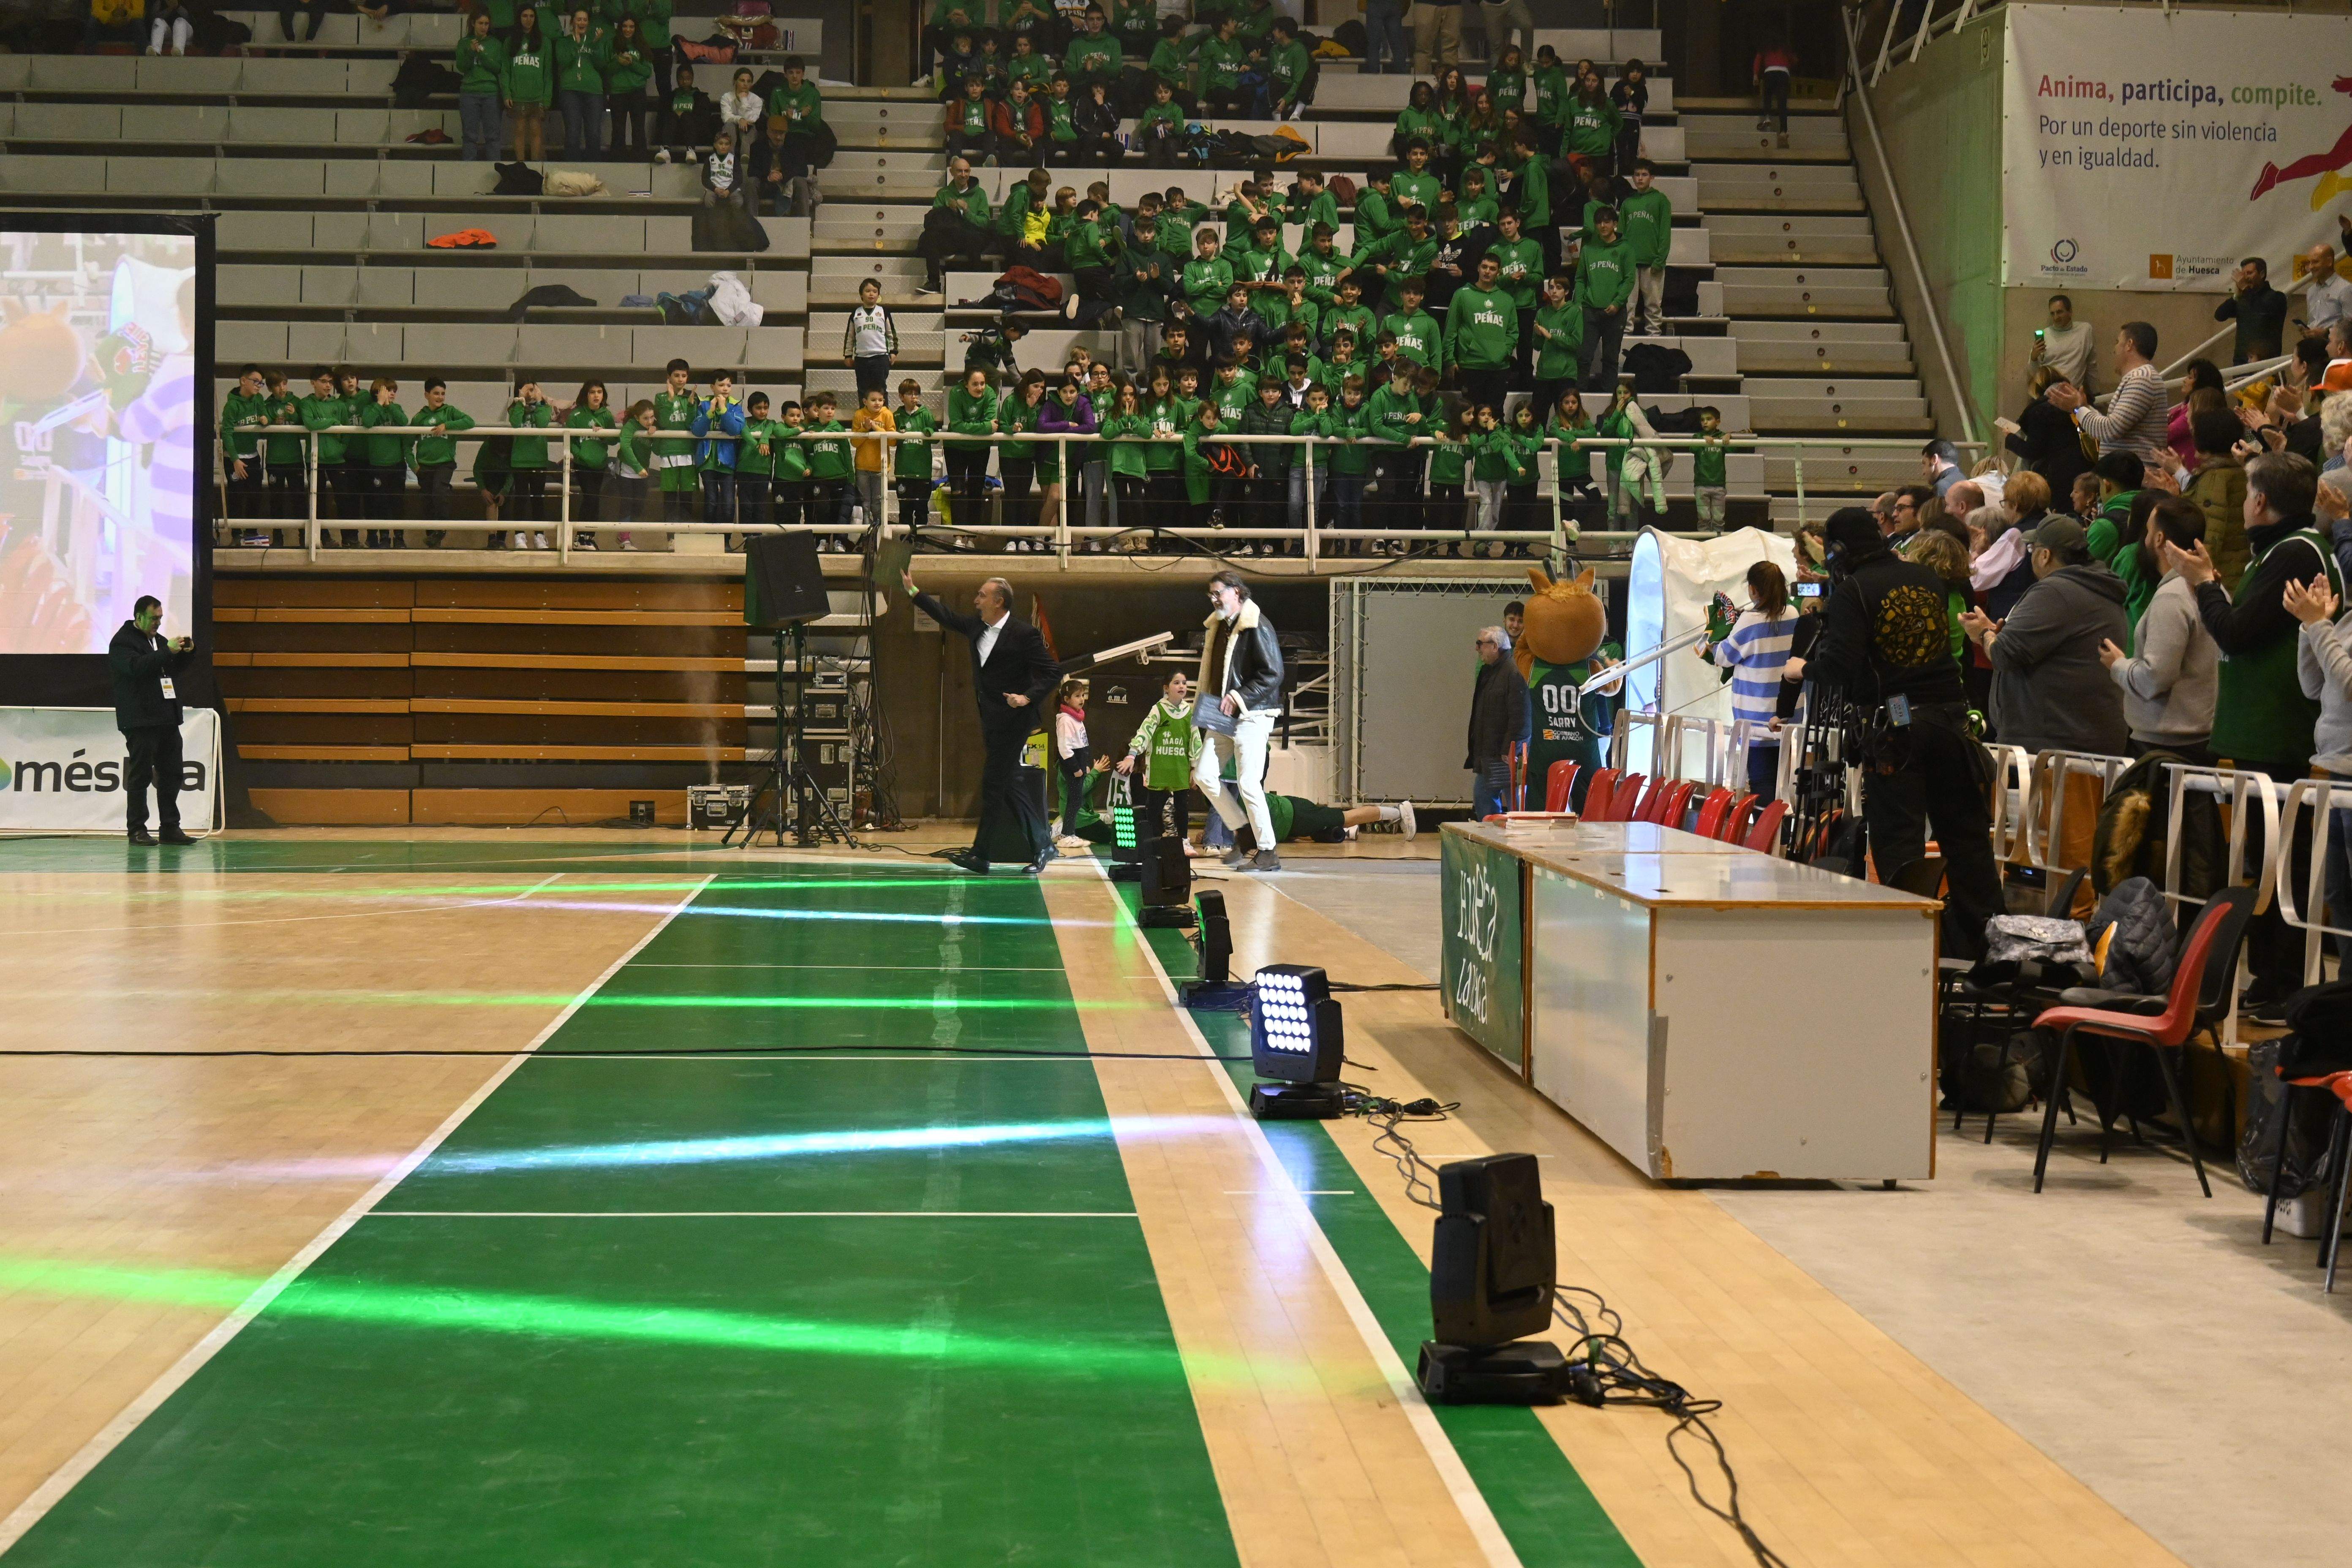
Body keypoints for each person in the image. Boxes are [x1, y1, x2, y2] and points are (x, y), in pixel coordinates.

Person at [2175, 452, 2338, 1019]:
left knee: (2283, 868)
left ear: (2262, 501)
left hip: (2280, 738)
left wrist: (2204, 586)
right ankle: (2270, 980)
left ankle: (2282, 983)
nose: (2244, 501)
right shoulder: (2279, 553)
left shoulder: (2296, 554)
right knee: (2267, 865)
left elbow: (2238, 633)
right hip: (2262, 736)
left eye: (2247, 490)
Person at [1808, 507, 2003, 958]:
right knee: (1967, 839)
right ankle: (1987, 945)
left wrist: (1805, 668)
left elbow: (1840, 665)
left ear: (1838, 551)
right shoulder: (1927, 579)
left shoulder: (1854, 590)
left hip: (1897, 720)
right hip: (1950, 718)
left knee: (1900, 841)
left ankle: (1904, 950)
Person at [904, 572, 1059, 873]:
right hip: (992, 719)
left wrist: (1027, 697)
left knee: (993, 784)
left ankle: (981, 854)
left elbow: (1053, 672)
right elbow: (945, 616)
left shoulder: (1023, 633)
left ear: (999, 601)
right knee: (1009, 783)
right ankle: (1044, 845)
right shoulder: (977, 627)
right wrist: (913, 590)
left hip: (1016, 719)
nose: (976, 601)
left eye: (982, 595)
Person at [1960, 515, 2129, 757]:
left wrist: (1984, 634)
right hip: (2079, 737)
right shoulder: (2096, 587)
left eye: (2031, 549)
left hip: (2053, 748)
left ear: (2045, 555)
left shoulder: (2056, 591)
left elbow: (2003, 653)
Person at [2098, 497, 2218, 762]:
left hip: (2166, 747)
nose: (2146, 537)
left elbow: (2155, 678)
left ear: (2160, 539)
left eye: (2149, 531)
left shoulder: (2173, 597)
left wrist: (2118, 665)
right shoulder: (2212, 590)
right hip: (2192, 738)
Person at [1193, 571, 1285, 870]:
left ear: (1237, 592)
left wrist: (1239, 696)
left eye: (1218, 592)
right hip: (1223, 714)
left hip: (1253, 715)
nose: (1214, 598)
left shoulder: (1257, 624)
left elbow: (1273, 674)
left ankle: (1268, 851)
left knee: (1248, 783)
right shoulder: (1220, 625)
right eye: (1211, 594)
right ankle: (1244, 833)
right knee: (1205, 775)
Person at [1704, 561, 1799, 798]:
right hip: (1791, 717)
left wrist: (1713, 637)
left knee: (1762, 784)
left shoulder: (1750, 621)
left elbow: (1724, 656)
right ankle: (1786, 833)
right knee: (1786, 785)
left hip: (1757, 721)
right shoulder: (1793, 614)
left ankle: (1768, 834)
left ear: (1754, 590)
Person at [109, 595, 196, 846]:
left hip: (165, 719)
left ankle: (170, 827)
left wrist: (187, 653)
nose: (158, 623)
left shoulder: (158, 641)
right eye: (153, 618)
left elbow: (172, 670)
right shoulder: (122, 642)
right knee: (141, 775)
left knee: (172, 774)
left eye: (160, 618)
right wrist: (167, 652)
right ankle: (137, 829)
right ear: (139, 617)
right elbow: (137, 668)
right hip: (140, 721)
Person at [2048, 320, 2166, 465]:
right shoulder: (2141, 377)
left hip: (2136, 477)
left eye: (2118, 342)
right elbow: (2112, 426)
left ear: (2129, 345)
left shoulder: (2141, 379)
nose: (2115, 349)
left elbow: (2110, 431)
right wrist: (2085, 407)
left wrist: (2077, 409)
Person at [1465, 624, 1530, 816]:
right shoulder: (1488, 671)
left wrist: (1511, 750)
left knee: (1513, 805)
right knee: (1485, 797)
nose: (1477, 649)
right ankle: (1495, 838)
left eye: (1480, 644)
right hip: (1490, 753)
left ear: (1495, 646)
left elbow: (1522, 716)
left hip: (1505, 756)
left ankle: (1512, 840)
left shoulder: (1514, 672)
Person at [2001, 365, 2090, 501]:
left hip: (2056, 474)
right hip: (2085, 470)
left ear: (2038, 389)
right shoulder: (2079, 402)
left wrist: (2010, 439)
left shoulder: (2041, 411)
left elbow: (2033, 451)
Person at [1576, 205, 1633, 391]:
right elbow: (1580, 279)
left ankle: (1608, 397)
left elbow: (1629, 279)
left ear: (1615, 224)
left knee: (1610, 358)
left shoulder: (1625, 248)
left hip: (1615, 313)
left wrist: (1617, 303)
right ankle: (1579, 397)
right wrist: (1579, 303)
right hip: (1590, 311)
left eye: (1607, 222)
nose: (1603, 226)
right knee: (1584, 356)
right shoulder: (1588, 250)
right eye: (1599, 222)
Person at [455, 11, 509, 162]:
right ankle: (468, 170)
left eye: (486, 24)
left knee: (493, 136)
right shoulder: (464, 43)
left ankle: (494, 167)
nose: (484, 27)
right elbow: (462, 67)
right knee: (469, 136)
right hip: (469, 92)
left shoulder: (496, 44)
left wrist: (482, 54)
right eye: (481, 23)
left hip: (491, 93)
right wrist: (471, 53)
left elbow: (498, 67)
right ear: (473, 24)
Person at [2217, 255, 2289, 367]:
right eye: (2243, 274)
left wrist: (2245, 289)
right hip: (2241, 361)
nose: (2245, 278)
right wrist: (2237, 295)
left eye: (2250, 273)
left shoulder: (2277, 297)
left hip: (2266, 362)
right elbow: (2220, 315)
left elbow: (2260, 309)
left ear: (2262, 274)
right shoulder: (2244, 298)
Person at [1049, 675, 1095, 849]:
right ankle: (1067, 834)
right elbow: (1065, 748)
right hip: (1072, 766)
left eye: (1082, 695)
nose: (1081, 699)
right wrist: (1076, 768)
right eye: (1077, 696)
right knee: (1074, 801)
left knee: (1076, 801)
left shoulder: (1076, 718)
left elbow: (1081, 744)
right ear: (1067, 700)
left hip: (1079, 765)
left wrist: (1085, 765)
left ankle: (1068, 832)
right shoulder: (1065, 720)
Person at [2298, 243, 2352, 384]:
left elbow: (2350, 324)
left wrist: (2325, 332)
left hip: (2334, 352)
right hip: (2312, 351)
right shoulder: (2311, 291)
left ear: (2329, 262)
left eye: (2315, 262)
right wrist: (2308, 330)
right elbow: (2314, 320)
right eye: (2309, 263)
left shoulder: (2345, 288)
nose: (2311, 267)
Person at [842, 278, 898, 404]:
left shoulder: (883, 312)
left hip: (880, 357)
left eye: (875, 291)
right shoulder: (856, 314)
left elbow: (891, 334)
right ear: (862, 294)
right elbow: (850, 337)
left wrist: (894, 352)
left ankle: (884, 417)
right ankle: (864, 417)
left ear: (879, 295)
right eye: (867, 291)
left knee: (880, 389)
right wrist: (848, 355)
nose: (871, 294)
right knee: (863, 389)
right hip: (861, 359)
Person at [2030, 293, 2095, 390]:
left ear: (2070, 312)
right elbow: (2035, 373)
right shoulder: (2046, 335)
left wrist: (2096, 392)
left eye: (2060, 312)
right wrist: (2034, 357)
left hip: (2073, 392)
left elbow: (2092, 365)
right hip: (2049, 393)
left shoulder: (2085, 330)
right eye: (2053, 314)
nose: (2056, 318)